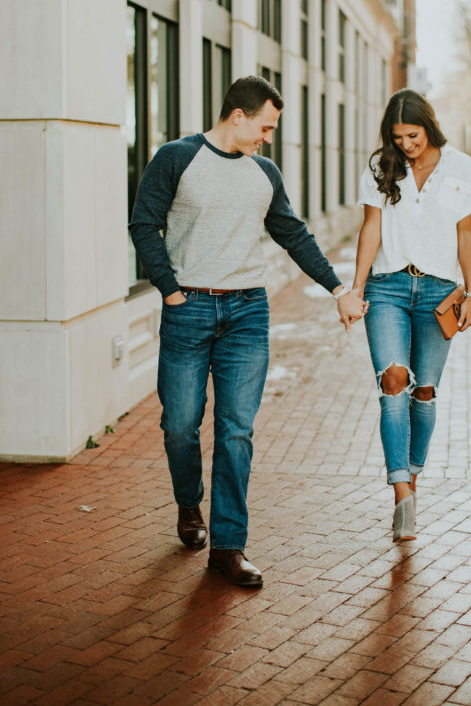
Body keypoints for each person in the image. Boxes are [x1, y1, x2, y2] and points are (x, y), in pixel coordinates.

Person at [129, 75, 366, 586]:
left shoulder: (264, 172)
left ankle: (228, 547)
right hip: (188, 308)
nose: (268, 136)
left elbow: (292, 234)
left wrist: (338, 288)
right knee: (180, 426)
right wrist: (170, 288)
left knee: (236, 431)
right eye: (265, 125)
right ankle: (189, 505)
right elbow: (143, 223)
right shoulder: (176, 157)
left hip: (247, 314)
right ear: (237, 116)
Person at [351, 88, 471, 541]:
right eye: (398, 136)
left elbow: (466, 235)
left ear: (428, 126)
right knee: (393, 380)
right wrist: (355, 288)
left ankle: (413, 474)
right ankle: (401, 495)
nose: (406, 144)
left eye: (412, 134)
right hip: (387, 286)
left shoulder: (460, 168)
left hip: (438, 292)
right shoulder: (381, 166)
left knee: (424, 391)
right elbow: (371, 227)